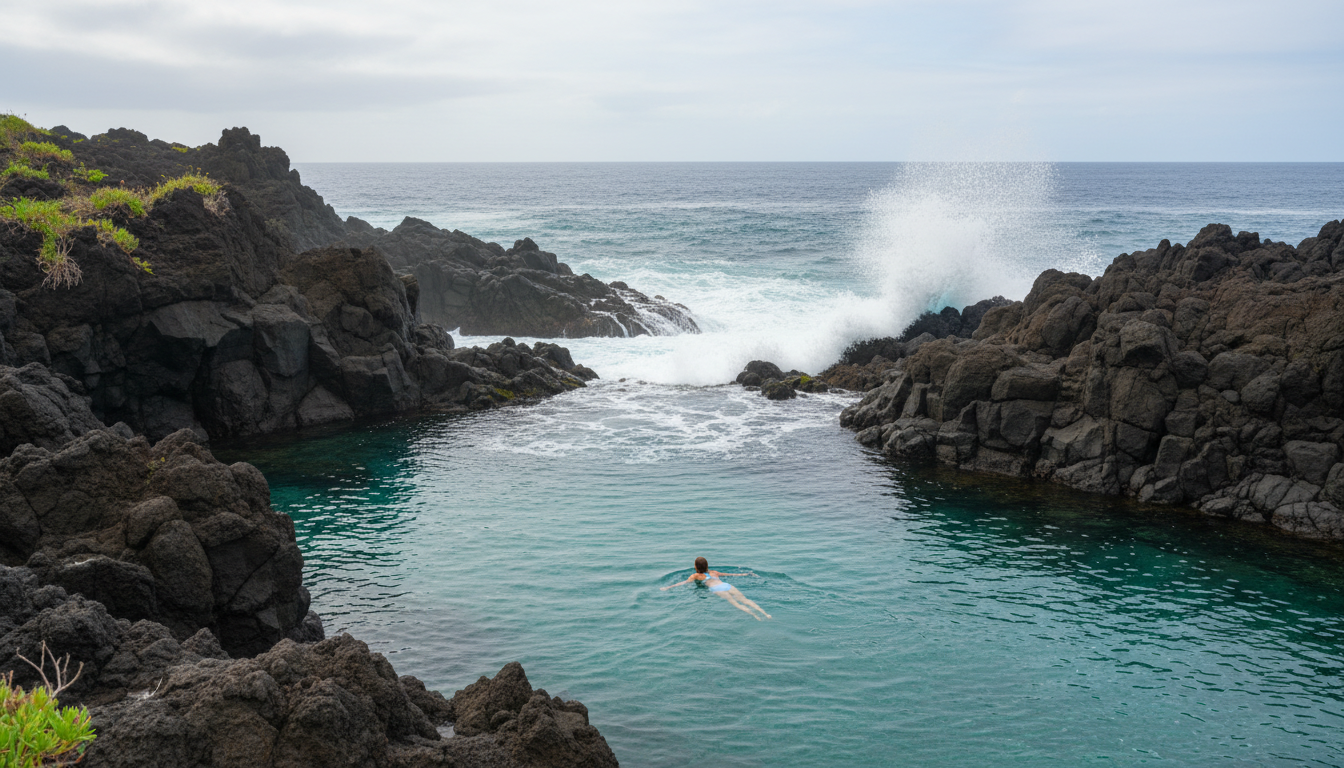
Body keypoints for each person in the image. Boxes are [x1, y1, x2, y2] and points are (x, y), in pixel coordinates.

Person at [661, 556, 771, 620]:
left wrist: (668, 587)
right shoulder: (714, 572)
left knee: (736, 603)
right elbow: (730, 574)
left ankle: (755, 616)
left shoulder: (695, 576)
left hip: (717, 589)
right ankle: (765, 613)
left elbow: (683, 583)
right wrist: (746, 574)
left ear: (695, 567)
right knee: (745, 600)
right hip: (727, 586)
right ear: (707, 566)